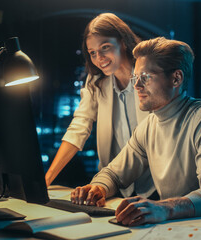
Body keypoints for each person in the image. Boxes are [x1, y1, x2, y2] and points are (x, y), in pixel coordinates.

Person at [70, 37, 201, 226]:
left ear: (176, 78)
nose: (136, 86)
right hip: (179, 229)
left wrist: (165, 207)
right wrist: (99, 187)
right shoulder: (149, 125)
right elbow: (114, 173)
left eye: (145, 77)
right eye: (135, 77)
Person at [45, 13, 156, 199]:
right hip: (114, 185)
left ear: (122, 41)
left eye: (105, 47)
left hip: (154, 184)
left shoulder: (149, 74)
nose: (99, 58)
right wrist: (47, 178)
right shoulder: (96, 81)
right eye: (93, 53)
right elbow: (79, 128)